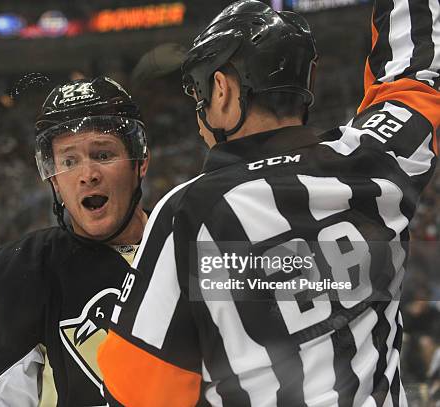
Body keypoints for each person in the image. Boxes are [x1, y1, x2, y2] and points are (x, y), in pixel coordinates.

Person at [98, 0, 439, 405]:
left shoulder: (191, 211)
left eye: (200, 94)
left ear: (222, 90)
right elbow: (415, 76)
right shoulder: (376, 159)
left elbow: (140, 389)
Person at [0, 76, 149, 406]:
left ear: (140, 163)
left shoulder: (192, 242)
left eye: (103, 154)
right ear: (53, 180)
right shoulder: (16, 271)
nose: (87, 174)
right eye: (69, 161)